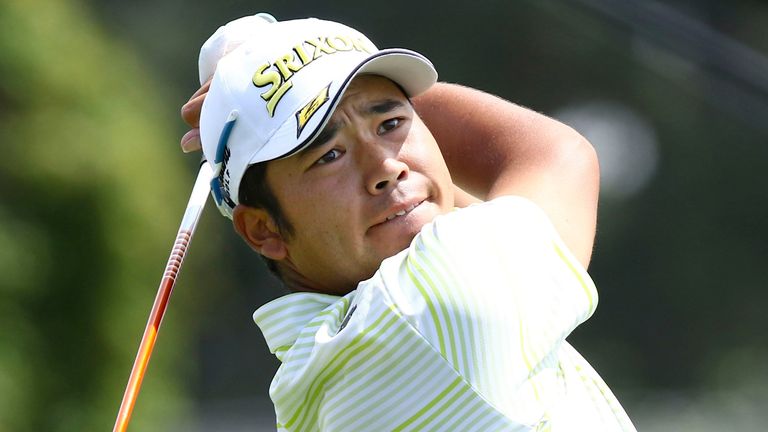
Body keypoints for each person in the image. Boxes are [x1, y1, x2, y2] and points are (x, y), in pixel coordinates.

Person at [180, 13, 637, 432]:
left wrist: (267, 87)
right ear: (264, 229)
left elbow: (441, 203)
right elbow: (555, 155)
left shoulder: (317, 364)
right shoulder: (425, 309)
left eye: (391, 123)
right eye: (330, 155)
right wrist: (280, 68)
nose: (386, 167)